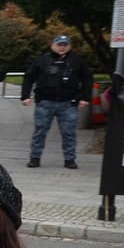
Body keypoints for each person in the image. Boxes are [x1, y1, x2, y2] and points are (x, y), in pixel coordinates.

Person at [20, 34, 92, 168]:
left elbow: (87, 78)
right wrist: (25, 96)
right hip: (45, 103)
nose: (62, 47)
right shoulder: (42, 60)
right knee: (40, 131)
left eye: (65, 45)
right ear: (52, 45)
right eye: (59, 44)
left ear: (69, 46)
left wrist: (86, 97)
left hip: (68, 103)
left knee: (69, 133)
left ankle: (70, 159)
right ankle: (35, 158)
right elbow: (29, 77)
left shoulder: (77, 61)